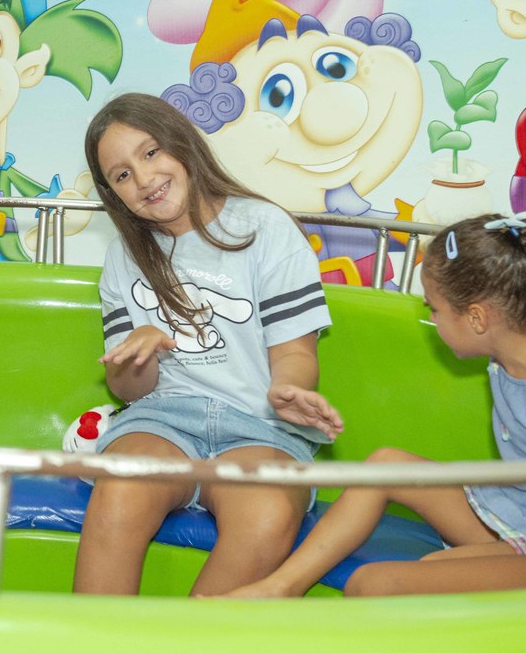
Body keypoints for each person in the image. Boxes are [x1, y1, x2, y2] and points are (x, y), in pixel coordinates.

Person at [226, 213, 526, 598]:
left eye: (434, 309)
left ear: (477, 318)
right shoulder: (514, 342)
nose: (431, 318)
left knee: (374, 584)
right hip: (517, 512)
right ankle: (279, 587)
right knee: (387, 465)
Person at [75, 92, 343, 596]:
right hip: (163, 420)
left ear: (182, 144)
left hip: (260, 428)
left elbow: (295, 353)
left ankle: (192, 633)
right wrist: (141, 349)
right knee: (123, 482)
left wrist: (287, 391)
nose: (144, 178)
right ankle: (94, 633)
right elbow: (127, 390)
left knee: (266, 512)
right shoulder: (123, 258)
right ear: (114, 194)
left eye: (151, 152)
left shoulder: (265, 228)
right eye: (122, 174)